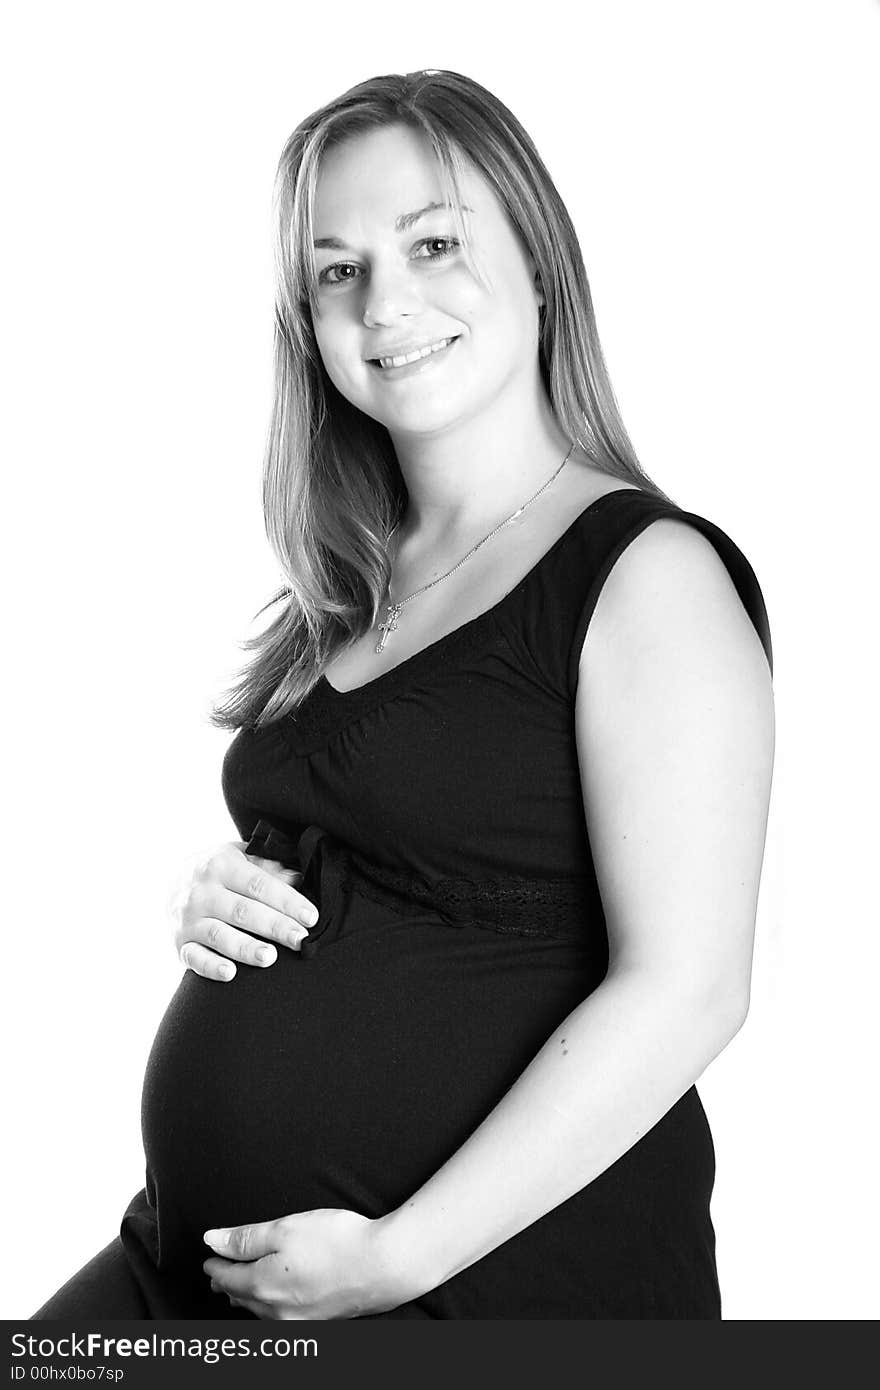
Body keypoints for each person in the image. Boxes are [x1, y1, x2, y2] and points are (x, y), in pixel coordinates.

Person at [32, 68, 775, 1321]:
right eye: (337, 270)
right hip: (189, 1269)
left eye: (433, 243)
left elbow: (688, 988)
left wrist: (403, 1253)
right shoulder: (343, 585)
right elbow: (393, 863)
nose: (387, 303)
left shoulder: (646, 577)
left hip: (472, 1296)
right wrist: (224, 894)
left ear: (538, 262)